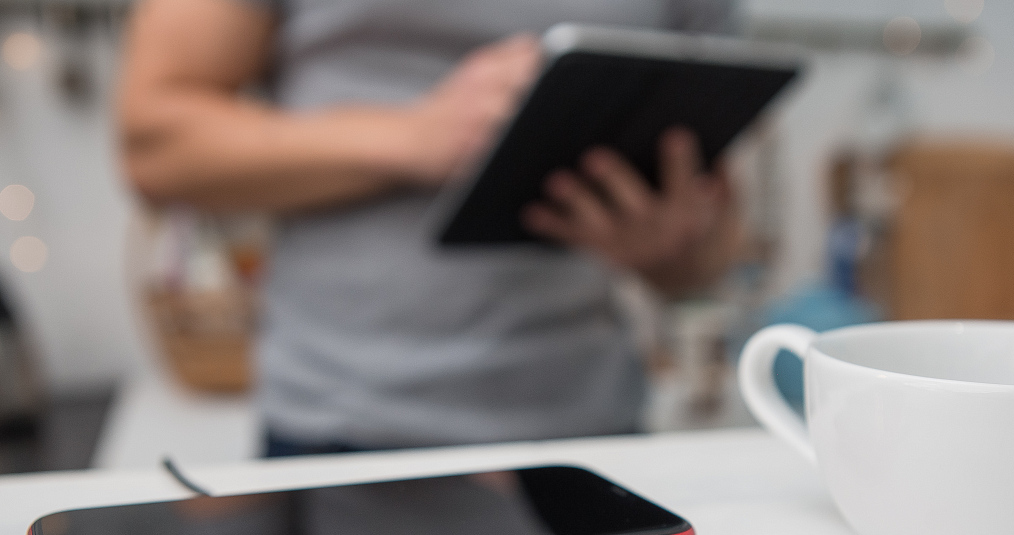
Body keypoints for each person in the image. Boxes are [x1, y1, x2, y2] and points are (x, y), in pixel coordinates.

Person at [119, 0, 744, 456]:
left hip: (596, 429)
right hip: (341, 433)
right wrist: (413, 135)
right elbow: (154, 146)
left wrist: (669, 248)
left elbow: (709, 252)